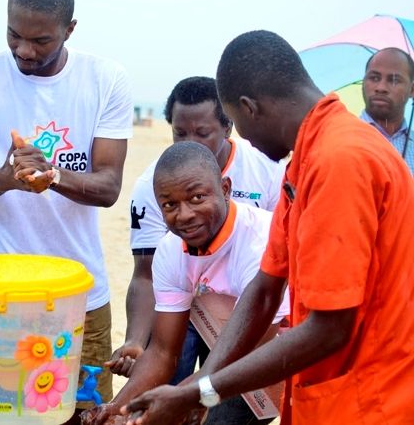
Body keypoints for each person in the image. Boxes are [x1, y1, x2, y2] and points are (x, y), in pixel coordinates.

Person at [121, 30, 414, 425]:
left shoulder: (341, 160)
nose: (242, 139)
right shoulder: (304, 162)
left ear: (248, 108)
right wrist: (196, 387)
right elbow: (264, 289)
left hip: (370, 401)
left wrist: (202, 391)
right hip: (323, 396)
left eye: (236, 122)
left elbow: (330, 328)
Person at [0, 0, 133, 415]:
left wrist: (53, 176)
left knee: (85, 415)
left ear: (70, 29)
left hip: (80, 294)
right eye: (14, 35)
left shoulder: (105, 79)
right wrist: (6, 177)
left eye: (41, 41)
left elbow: (108, 187)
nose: (24, 51)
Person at [83, 141, 287, 425]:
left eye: (197, 198)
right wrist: (117, 407)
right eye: (170, 204)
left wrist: (185, 397)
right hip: (235, 351)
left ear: (225, 189)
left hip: (290, 348)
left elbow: (250, 348)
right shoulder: (170, 250)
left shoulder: (260, 243)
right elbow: (163, 352)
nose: (185, 215)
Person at [109, 77, 283, 380]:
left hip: (252, 306)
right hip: (182, 304)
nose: (190, 142)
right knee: (166, 385)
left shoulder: (266, 171)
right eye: (180, 133)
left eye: (202, 133)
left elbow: (277, 260)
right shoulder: (152, 186)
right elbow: (146, 273)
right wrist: (137, 341)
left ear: (227, 128)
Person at [360, 47, 414, 174]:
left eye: (394, 80)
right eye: (374, 78)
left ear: (412, 90)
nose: (381, 87)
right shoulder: (342, 138)